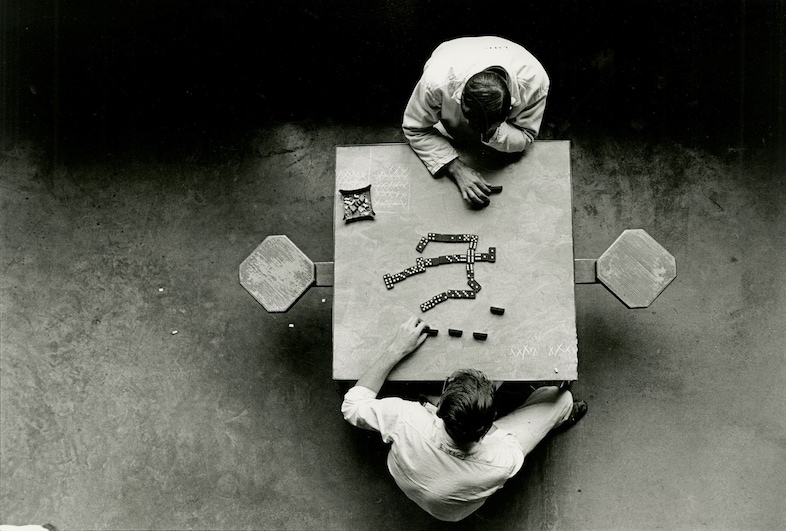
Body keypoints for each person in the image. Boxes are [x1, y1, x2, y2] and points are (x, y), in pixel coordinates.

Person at [341, 316, 587, 522]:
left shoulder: (407, 417)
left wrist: (396, 349)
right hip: (453, 506)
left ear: (438, 409)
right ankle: (561, 416)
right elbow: (501, 438)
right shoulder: (502, 461)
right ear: (490, 424)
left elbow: (352, 406)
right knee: (560, 398)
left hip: (414, 481)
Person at [402, 36, 550, 205]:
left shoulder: (535, 82)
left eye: (484, 128)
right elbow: (414, 128)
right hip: (452, 53)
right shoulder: (435, 82)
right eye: (468, 119)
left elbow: (526, 135)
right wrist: (456, 168)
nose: (475, 131)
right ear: (459, 97)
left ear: (510, 109)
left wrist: (493, 134)